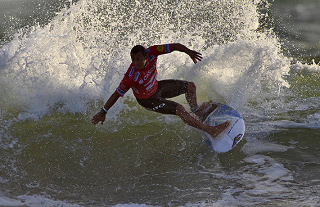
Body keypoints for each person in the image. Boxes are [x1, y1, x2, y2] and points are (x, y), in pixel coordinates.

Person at [92, 43, 229, 138]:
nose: (136, 63)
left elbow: (174, 46)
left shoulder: (153, 51)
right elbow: (116, 94)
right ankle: (210, 130)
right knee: (180, 109)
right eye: (133, 59)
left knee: (190, 86)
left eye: (138, 59)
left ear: (146, 57)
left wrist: (189, 52)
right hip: (147, 100)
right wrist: (103, 112)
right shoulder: (130, 77)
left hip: (157, 88)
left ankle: (197, 112)